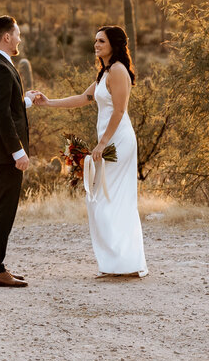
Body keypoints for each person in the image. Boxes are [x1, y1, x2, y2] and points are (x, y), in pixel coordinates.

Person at [35, 26, 148, 278]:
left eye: (101, 41)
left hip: (117, 142)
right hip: (108, 141)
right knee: (103, 198)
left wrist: (102, 143)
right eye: (95, 40)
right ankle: (118, 263)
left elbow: (119, 111)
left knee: (109, 198)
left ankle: (124, 263)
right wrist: (48, 102)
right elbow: (82, 98)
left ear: (114, 44)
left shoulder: (118, 70)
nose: (96, 45)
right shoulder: (105, 73)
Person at [0, 15, 42, 288]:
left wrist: (25, 101)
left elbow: (3, 106)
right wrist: (18, 152)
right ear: (6, 37)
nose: (19, 39)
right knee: (2, 210)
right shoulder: (1, 68)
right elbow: (1, 116)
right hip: (2, 153)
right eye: (16, 34)